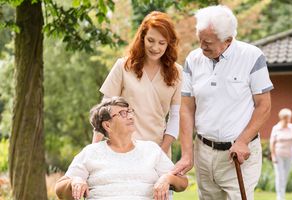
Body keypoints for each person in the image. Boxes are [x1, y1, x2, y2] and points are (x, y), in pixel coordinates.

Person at [172, 5, 273, 200]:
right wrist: (187, 154)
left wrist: (243, 141)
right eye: (200, 40)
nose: (202, 46)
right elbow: (186, 108)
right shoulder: (193, 59)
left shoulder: (252, 56)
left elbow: (264, 105)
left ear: (228, 40)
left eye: (208, 42)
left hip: (238, 155)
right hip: (204, 152)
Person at [55, 97, 188, 200]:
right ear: (107, 125)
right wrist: (75, 180)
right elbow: (60, 190)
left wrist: (167, 178)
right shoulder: (91, 152)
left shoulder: (151, 150)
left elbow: (183, 182)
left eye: (130, 112)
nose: (130, 116)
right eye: (122, 113)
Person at [93, 11, 182, 155]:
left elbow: (175, 117)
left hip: (157, 150)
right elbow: (104, 111)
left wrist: (162, 151)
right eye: (150, 40)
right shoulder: (123, 66)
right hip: (121, 148)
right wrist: (94, 148)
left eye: (162, 43)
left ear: (169, 44)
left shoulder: (178, 73)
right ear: (142, 38)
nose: (155, 48)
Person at [270, 108, 292, 200]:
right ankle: (280, 197)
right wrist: (273, 156)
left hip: (290, 155)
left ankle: (282, 195)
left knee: (285, 176)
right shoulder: (276, 128)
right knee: (279, 176)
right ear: (283, 118)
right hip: (279, 155)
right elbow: (272, 143)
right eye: (288, 117)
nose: (289, 119)